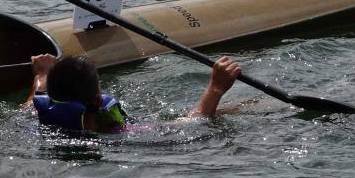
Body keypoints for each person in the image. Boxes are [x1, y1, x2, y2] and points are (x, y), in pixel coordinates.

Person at [24, 54, 242, 133]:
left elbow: (33, 102)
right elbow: (192, 124)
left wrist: (41, 77)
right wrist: (215, 89)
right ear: (99, 100)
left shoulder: (39, 115)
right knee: (229, 112)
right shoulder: (116, 133)